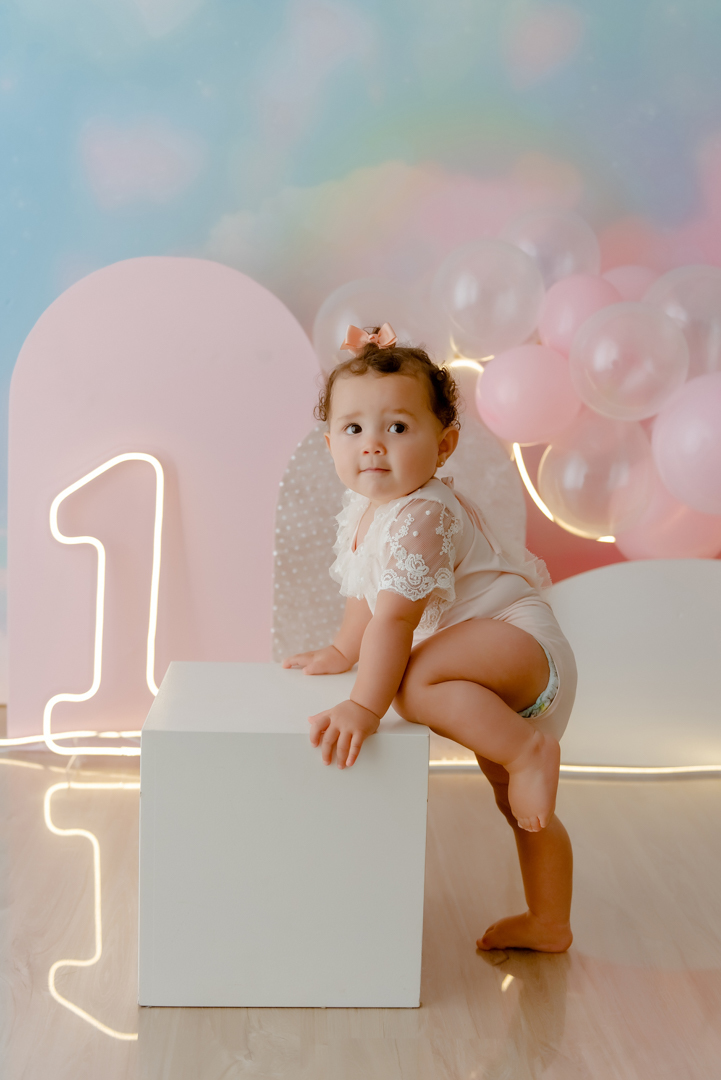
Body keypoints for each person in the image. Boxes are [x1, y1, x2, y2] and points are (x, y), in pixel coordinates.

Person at [283, 322, 577, 953]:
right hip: (486, 661)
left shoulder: (423, 514)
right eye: (353, 429)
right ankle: (550, 921)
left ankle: (529, 751)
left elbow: (394, 620)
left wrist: (363, 706)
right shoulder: (369, 510)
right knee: (515, 805)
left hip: (520, 645)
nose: (372, 445)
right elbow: (366, 593)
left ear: (444, 445)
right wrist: (342, 649)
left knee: (409, 683)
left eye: (397, 427)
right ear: (330, 442)